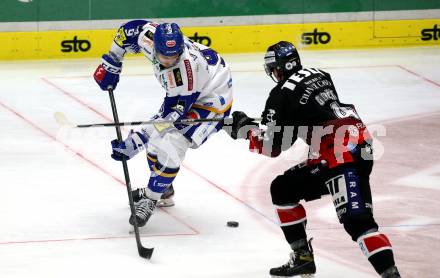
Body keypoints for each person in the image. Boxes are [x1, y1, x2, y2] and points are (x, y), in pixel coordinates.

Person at [225, 41, 400, 277]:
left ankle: (391, 275)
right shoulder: (320, 74)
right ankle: (303, 259)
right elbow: (310, 116)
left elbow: (272, 147)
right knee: (283, 189)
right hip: (360, 146)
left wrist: (244, 129)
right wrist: (273, 123)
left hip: (340, 156)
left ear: (278, 68)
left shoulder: (280, 93)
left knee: (359, 223)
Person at [93, 20, 233, 227]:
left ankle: (151, 198)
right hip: (193, 91)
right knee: (155, 141)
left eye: (174, 55)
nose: (169, 60)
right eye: (164, 55)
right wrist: (113, 60)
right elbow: (127, 31)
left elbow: (170, 117)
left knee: (172, 143)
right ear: (155, 45)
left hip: (212, 100)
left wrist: (137, 141)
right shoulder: (149, 36)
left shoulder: (186, 73)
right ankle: (163, 189)